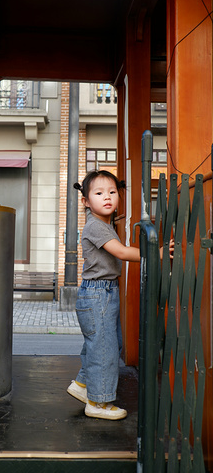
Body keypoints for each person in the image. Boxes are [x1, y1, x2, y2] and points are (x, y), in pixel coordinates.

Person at [67, 169, 173, 420]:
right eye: (99, 193)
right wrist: (155, 252)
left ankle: (82, 386)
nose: (107, 197)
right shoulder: (95, 226)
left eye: (112, 192)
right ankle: (98, 403)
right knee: (103, 348)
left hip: (103, 292)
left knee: (106, 344)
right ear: (85, 201)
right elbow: (123, 253)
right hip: (97, 294)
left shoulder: (105, 224)